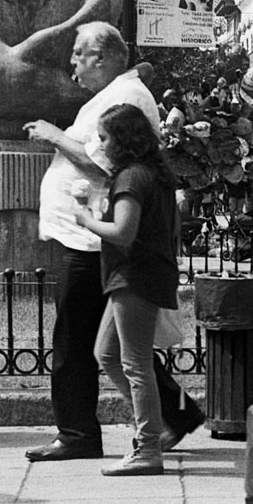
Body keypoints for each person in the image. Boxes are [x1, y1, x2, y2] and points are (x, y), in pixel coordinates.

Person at [23, 22, 203, 463]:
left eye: (78, 55)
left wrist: (53, 135)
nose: (72, 64)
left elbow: (104, 162)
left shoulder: (126, 100)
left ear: (101, 57)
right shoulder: (114, 96)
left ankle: (80, 433)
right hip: (89, 236)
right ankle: (177, 415)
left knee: (80, 341)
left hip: (94, 240)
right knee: (115, 347)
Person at [62, 105, 181, 476]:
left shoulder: (131, 177)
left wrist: (86, 219)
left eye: (105, 137)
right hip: (138, 275)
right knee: (108, 354)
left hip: (134, 277)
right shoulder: (152, 174)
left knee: (135, 364)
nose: (101, 144)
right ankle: (155, 428)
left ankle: (147, 447)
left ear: (124, 140)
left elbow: (124, 233)